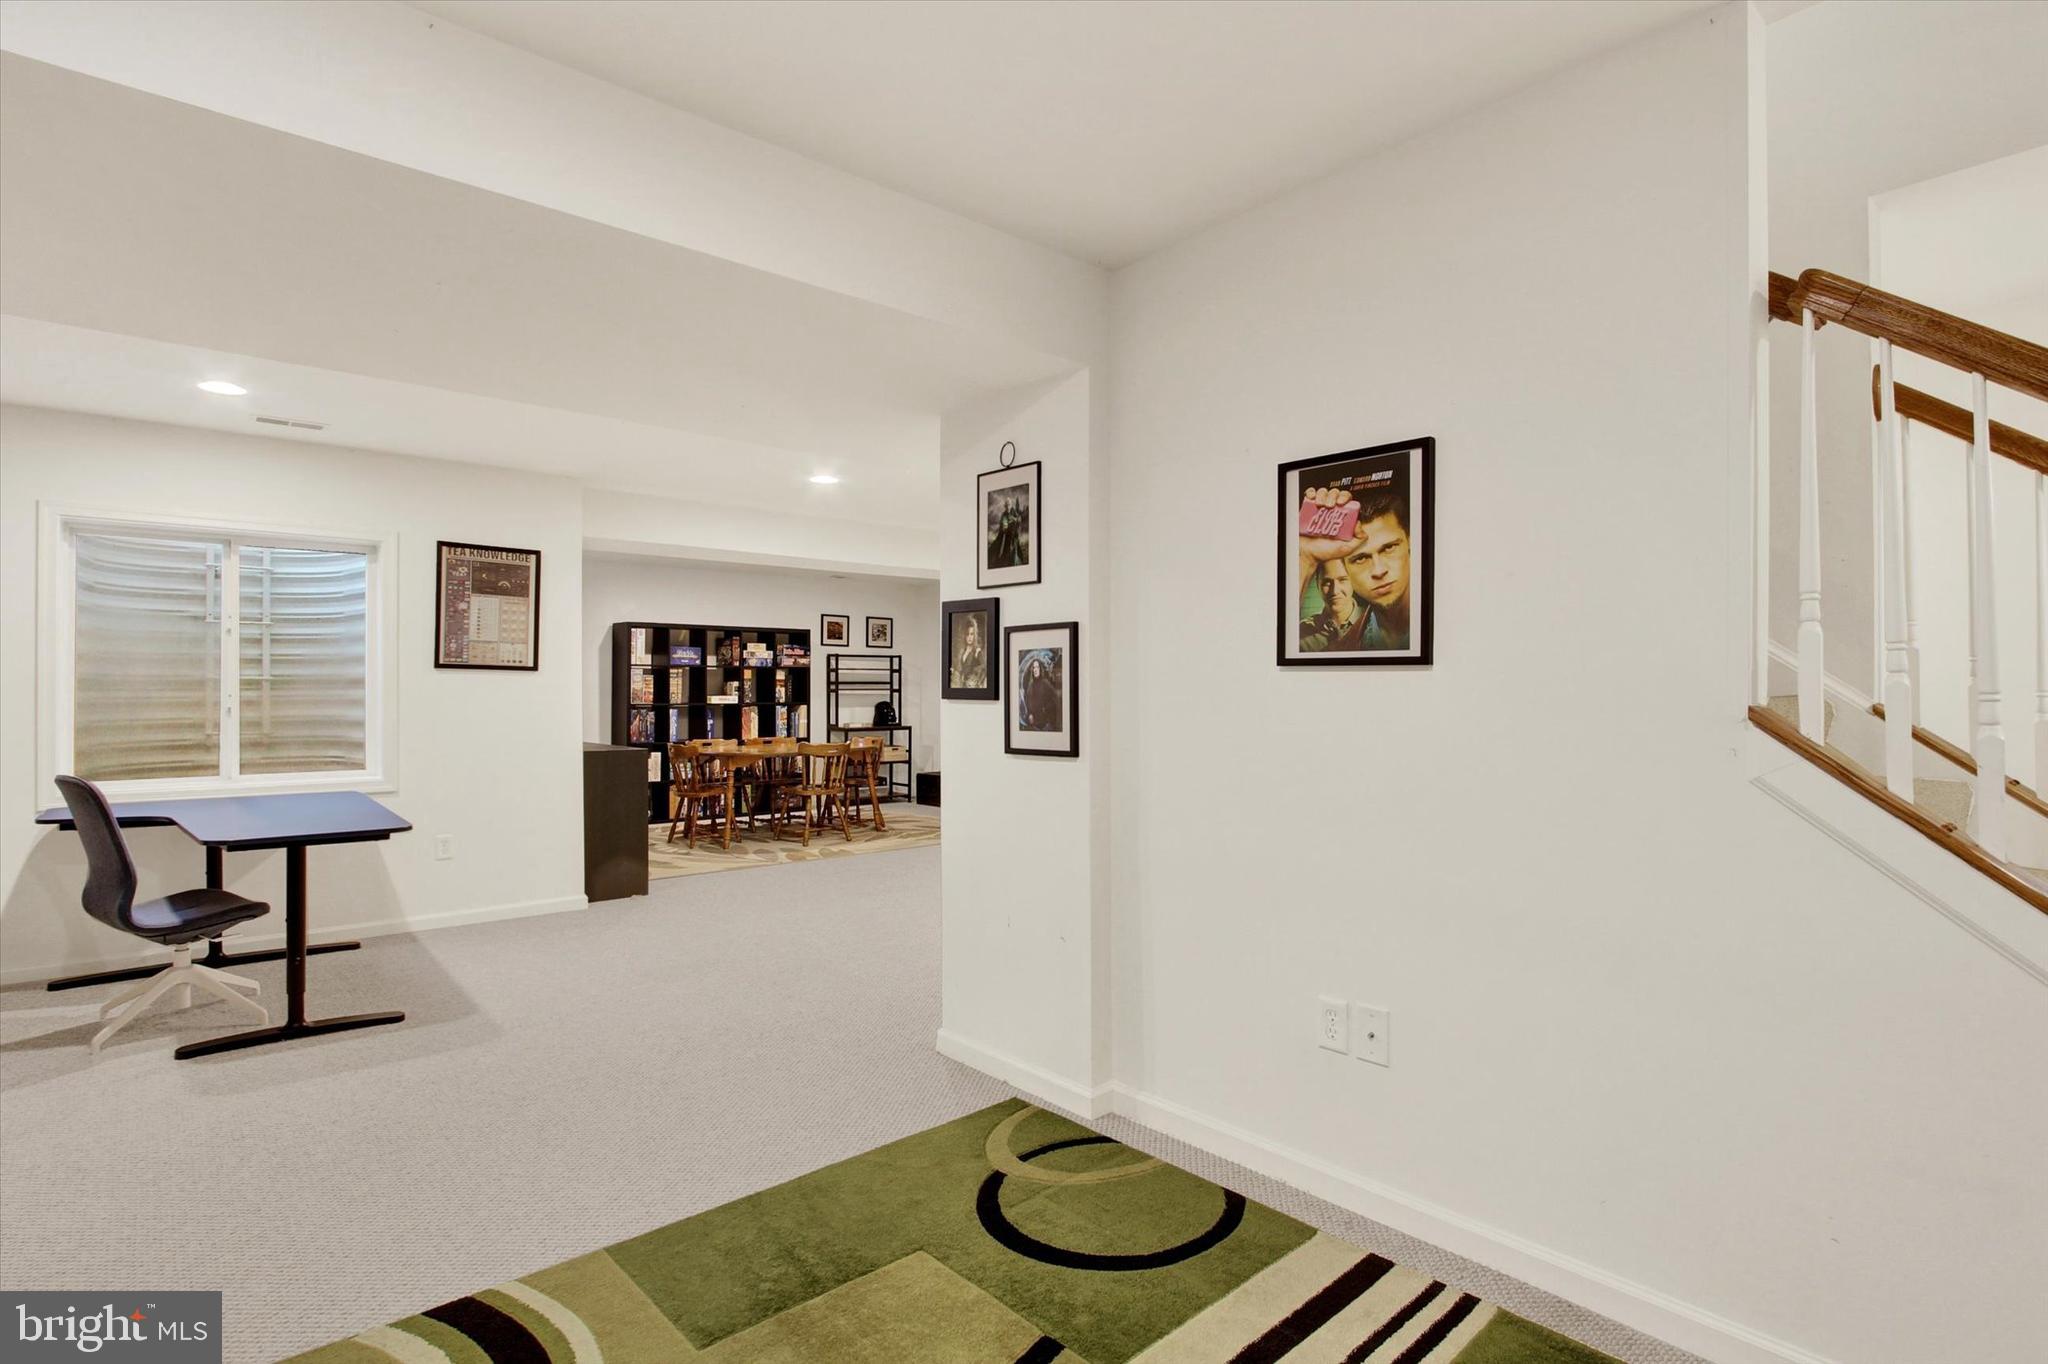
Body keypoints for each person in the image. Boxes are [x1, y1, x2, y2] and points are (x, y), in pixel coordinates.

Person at [1297, 486, 1411, 651]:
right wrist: (1305, 559)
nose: (1378, 571)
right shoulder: (1337, 650)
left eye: (1389, 548)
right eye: (1361, 558)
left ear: (1410, 541)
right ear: (1344, 567)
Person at [952, 616, 987, 688]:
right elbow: (962, 669)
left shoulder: (977, 651)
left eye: (972, 634)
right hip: (963, 686)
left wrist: (975, 679)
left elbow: (984, 668)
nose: (969, 637)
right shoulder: (963, 651)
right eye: (967, 634)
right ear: (964, 635)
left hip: (973, 687)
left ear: (975, 635)